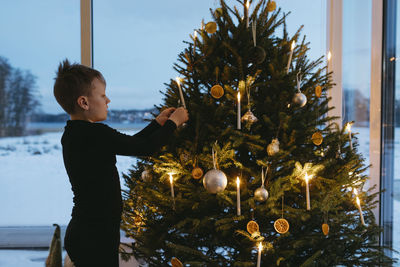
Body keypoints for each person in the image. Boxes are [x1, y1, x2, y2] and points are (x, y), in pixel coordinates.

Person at [53, 59, 188, 267]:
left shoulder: (74, 134)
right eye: (102, 95)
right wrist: (173, 123)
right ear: (84, 102)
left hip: (86, 232)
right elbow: (145, 148)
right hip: (95, 236)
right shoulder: (96, 134)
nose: (108, 100)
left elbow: (133, 144)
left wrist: (156, 124)